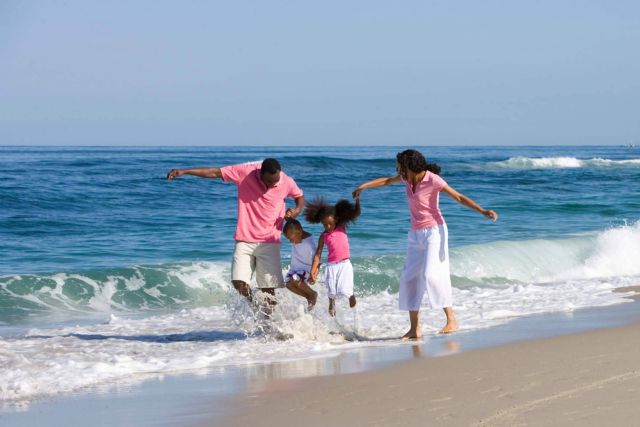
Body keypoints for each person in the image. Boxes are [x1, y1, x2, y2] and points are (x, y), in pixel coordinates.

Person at [352, 149, 497, 338]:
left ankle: (451, 320)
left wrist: (482, 211)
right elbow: (387, 181)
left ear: (409, 166)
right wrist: (364, 186)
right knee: (410, 278)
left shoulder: (433, 180)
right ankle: (414, 329)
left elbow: (458, 197)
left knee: (432, 275)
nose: (398, 170)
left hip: (435, 232)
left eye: (400, 166)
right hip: (415, 234)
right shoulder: (406, 179)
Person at [166, 158, 304, 314]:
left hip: (270, 241)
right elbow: (215, 172)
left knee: (268, 289)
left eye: (275, 182)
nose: (272, 185)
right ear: (260, 173)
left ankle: (270, 326)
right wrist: (185, 171)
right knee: (239, 282)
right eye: (269, 182)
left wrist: (297, 210)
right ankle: (255, 306)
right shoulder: (245, 173)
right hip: (244, 239)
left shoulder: (286, 181)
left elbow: (299, 196)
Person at [304, 196, 361, 317]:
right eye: (325, 225)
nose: (328, 227)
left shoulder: (341, 228)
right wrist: (313, 270)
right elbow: (318, 254)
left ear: (336, 220)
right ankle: (331, 303)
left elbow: (356, 213)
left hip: (344, 264)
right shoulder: (323, 236)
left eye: (330, 224)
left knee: (345, 287)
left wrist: (357, 201)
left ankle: (351, 295)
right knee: (331, 289)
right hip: (331, 266)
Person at [282, 219, 318, 310]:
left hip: (305, 269)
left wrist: (314, 274)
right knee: (288, 284)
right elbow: (293, 224)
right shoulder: (296, 234)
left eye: (291, 239)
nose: (290, 241)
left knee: (295, 279)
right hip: (296, 268)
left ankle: (312, 294)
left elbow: (317, 260)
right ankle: (308, 296)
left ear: (299, 233)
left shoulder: (309, 244)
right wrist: (286, 217)